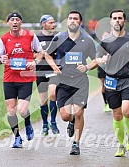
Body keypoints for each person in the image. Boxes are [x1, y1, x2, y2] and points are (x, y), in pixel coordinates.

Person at [0, 12, 59, 148]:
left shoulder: (30, 36)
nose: (15, 22)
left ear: (21, 23)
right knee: (11, 110)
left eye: (17, 19)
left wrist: (35, 61)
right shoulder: (4, 39)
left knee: (22, 110)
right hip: (9, 78)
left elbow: (41, 52)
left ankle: (28, 123)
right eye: (12, 20)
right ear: (8, 23)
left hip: (25, 78)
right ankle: (17, 137)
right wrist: (0, 59)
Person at [45, 11, 97, 155]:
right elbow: (47, 54)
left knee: (79, 112)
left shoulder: (87, 40)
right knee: (65, 115)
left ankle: (76, 144)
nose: (72, 21)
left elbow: (95, 60)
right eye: (70, 18)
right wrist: (54, 66)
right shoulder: (59, 38)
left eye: (75, 19)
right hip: (63, 81)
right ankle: (72, 120)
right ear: (67, 22)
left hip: (80, 81)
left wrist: (86, 67)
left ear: (80, 23)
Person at [96, 9, 129, 157]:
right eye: (114, 18)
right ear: (110, 21)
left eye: (120, 18)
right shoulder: (105, 41)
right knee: (117, 115)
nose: (117, 20)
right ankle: (121, 145)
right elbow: (97, 58)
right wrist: (101, 60)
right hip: (111, 81)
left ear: (124, 21)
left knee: (127, 111)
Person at [35, 15, 60, 136]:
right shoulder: (36, 37)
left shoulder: (57, 37)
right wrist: (41, 54)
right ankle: (45, 124)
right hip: (40, 71)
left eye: (54, 22)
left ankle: (53, 122)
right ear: (43, 24)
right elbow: (31, 54)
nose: (53, 25)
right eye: (50, 23)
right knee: (43, 100)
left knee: (54, 93)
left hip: (53, 71)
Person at [97, 31, 110, 112]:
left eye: (107, 36)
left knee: (111, 86)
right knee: (103, 85)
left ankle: (113, 102)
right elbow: (96, 56)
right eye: (104, 36)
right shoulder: (98, 46)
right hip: (102, 68)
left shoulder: (112, 45)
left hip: (111, 68)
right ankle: (106, 104)